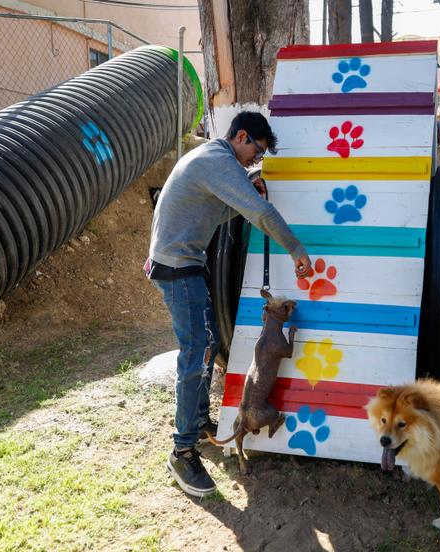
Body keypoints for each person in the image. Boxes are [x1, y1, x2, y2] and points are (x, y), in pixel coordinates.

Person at [146, 111, 312, 498]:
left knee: (202, 347)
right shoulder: (217, 160)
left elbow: (221, 211)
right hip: (177, 267)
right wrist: (296, 248)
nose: (255, 161)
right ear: (241, 136)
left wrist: (249, 184)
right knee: (197, 352)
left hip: (180, 262)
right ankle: (182, 451)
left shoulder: (211, 160)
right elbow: (261, 213)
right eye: (256, 152)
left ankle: (198, 420)